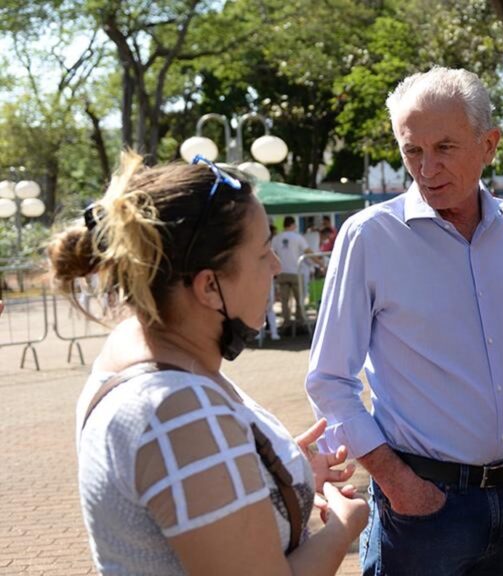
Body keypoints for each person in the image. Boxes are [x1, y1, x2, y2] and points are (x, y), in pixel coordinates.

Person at [306, 67, 503, 576]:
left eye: (445, 147)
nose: (426, 168)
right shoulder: (369, 237)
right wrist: (399, 485)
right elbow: (329, 379)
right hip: (421, 513)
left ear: (489, 144)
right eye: (412, 151)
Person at [49, 152, 368, 574]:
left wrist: (280, 473)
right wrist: (343, 528)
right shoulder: (176, 412)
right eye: (262, 252)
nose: (275, 266)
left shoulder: (145, 350)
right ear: (208, 287)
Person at [272, 216, 313, 331]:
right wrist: (319, 261)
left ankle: (287, 323)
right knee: (299, 299)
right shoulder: (297, 237)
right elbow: (308, 251)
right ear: (292, 225)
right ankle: (300, 322)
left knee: (284, 301)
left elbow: (272, 253)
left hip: (282, 272)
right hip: (295, 271)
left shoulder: (276, 238)